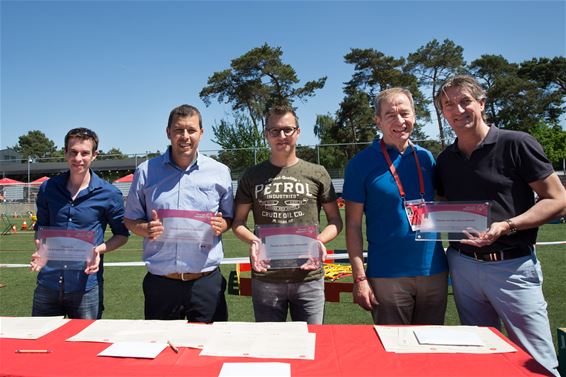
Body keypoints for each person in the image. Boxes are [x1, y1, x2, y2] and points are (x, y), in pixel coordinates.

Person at [434, 75, 566, 376]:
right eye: (448, 104)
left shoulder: (516, 143)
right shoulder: (444, 160)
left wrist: (507, 225)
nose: (458, 109)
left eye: (465, 100)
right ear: (443, 113)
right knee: (483, 359)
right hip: (463, 266)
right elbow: (440, 205)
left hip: (512, 265)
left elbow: (558, 199)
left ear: (482, 103)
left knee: (537, 362)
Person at [343, 88, 448, 325]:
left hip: (434, 271)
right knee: (395, 351)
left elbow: (442, 206)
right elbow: (352, 225)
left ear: (414, 116)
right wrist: (359, 278)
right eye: (390, 115)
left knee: (432, 348)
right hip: (387, 275)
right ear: (378, 121)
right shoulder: (360, 164)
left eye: (405, 113)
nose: (399, 121)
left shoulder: (426, 158)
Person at [232, 105, 342, 324]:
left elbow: (335, 220)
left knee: (312, 345)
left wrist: (319, 241)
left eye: (287, 130)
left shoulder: (317, 172)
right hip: (267, 279)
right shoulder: (252, 176)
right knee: (269, 348)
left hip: (309, 277)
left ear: (298, 132)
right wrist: (254, 241)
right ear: (266, 134)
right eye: (274, 131)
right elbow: (238, 222)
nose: (281, 136)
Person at [124, 104, 233, 323]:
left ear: (201, 133)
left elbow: (230, 217)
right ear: (168, 132)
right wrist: (145, 229)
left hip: (205, 280)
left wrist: (224, 224)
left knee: (207, 350)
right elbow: (130, 219)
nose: (185, 136)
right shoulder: (146, 171)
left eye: (191, 130)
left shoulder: (220, 172)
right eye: (178, 130)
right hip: (161, 283)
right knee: (161, 351)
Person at [30, 127, 129, 319]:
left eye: (85, 153)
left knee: (84, 345)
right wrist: (41, 248)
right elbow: (41, 229)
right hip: (48, 283)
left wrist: (98, 250)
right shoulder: (48, 188)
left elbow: (122, 235)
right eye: (73, 152)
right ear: (65, 152)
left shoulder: (109, 194)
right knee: (41, 345)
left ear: (94, 155)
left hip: (85, 286)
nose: (78, 158)